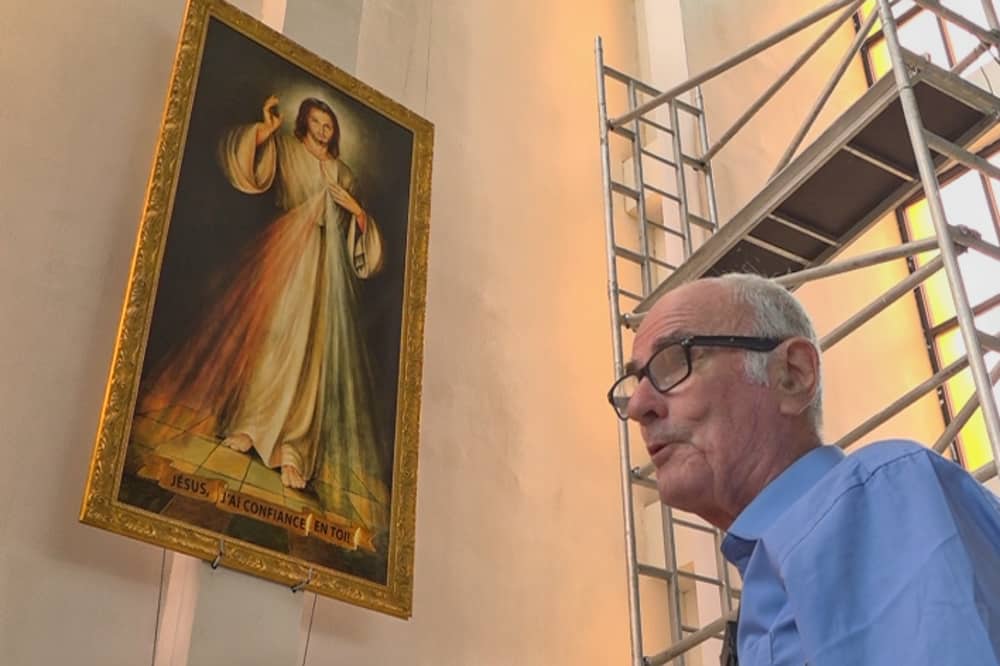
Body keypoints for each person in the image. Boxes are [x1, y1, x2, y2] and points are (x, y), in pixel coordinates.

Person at [608, 272, 1000, 665]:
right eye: (635, 381)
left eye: (676, 360)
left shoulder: (878, 494)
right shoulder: (768, 587)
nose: (640, 406)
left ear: (793, 375)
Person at [139, 96, 389, 517]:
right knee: (271, 340)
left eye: (329, 124)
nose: (323, 130)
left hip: (324, 272)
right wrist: (264, 132)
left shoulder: (345, 174)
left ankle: (293, 448)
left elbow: (358, 243)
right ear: (304, 124)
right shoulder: (288, 150)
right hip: (284, 257)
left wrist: (359, 214)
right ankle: (250, 428)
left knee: (309, 358)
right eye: (316, 121)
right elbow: (249, 173)